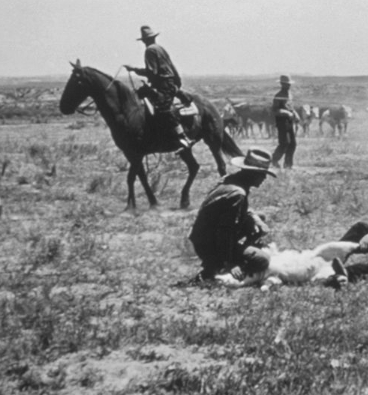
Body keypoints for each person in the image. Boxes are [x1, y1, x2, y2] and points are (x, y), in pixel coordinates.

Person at [188, 147, 276, 282]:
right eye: (261, 173)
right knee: (262, 260)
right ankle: (217, 267)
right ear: (251, 173)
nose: (264, 178)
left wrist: (256, 219)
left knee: (260, 216)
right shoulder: (238, 194)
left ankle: (228, 257)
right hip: (209, 243)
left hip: (204, 234)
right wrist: (230, 263)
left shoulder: (232, 180)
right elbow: (225, 232)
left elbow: (236, 214)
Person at [124, 25, 191, 151]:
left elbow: (152, 72)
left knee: (162, 109)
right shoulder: (160, 48)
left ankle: (182, 137)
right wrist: (177, 84)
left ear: (144, 40)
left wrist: (134, 69)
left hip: (163, 85)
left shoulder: (149, 50)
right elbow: (172, 67)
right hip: (169, 83)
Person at [271, 75, 299, 169]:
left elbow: (291, 107)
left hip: (289, 121)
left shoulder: (289, 95)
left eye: (289, 84)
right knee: (284, 143)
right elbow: (275, 110)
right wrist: (286, 113)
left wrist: (295, 113)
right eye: (286, 84)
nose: (288, 86)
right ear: (282, 84)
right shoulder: (278, 96)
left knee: (292, 144)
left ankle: (288, 165)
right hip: (282, 122)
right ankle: (274, 160)